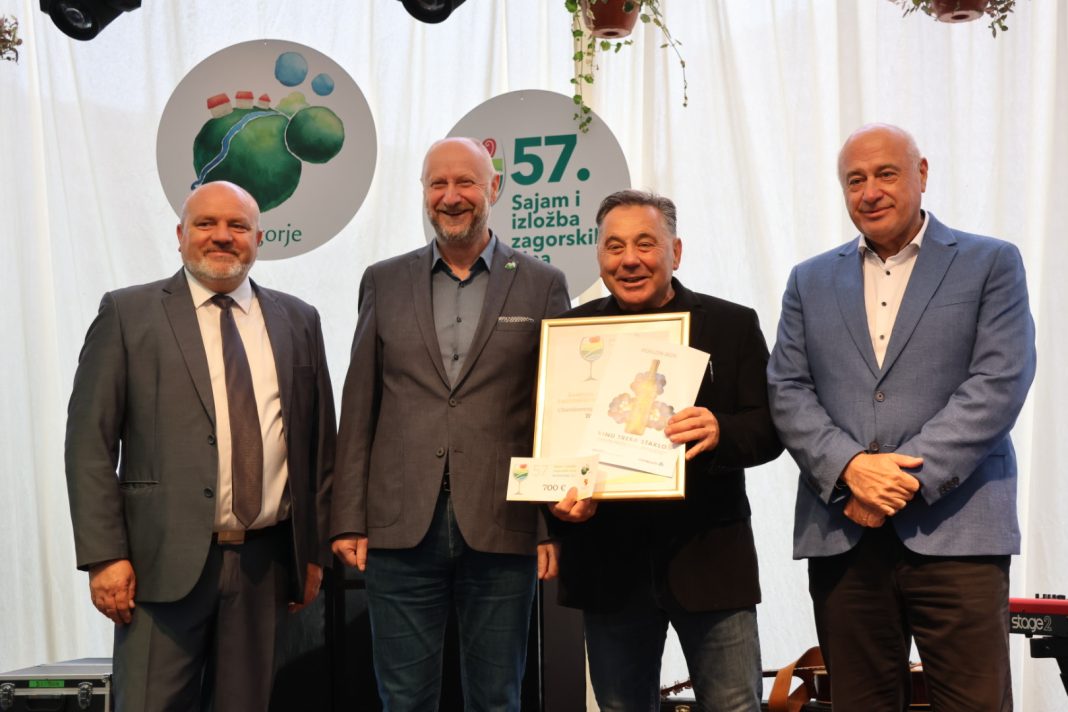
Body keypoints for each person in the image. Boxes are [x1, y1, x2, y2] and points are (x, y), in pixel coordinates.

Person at [767, 124, 1036, 711]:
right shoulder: (808, 280)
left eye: (886, 174)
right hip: (843, 533)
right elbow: (787, 389)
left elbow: (999, 381)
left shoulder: (991, 262)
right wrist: (851, 470)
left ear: (922, 174)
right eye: (855, 180)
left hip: (958, 530)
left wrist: (899, 479)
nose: (870, 192)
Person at [64, 181, 336, 712]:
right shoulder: (127, 313)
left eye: (238, 225)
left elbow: (319, 446)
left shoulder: (299, 319)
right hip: (157, 566)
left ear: (259, 237)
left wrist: (312, 553)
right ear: (180, 234)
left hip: (265, 564)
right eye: (206, 223)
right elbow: (88, 444)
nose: (222, 236)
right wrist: (105, 555)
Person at [330, 137, 570, 711]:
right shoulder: (383, 280)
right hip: (398, 528)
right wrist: (347, 518)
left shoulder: (542, 283)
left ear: (494, 188)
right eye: (438, 183)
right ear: (423, 191)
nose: (451, 196)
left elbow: (556, 411)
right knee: (404, 700)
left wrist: (548, 526)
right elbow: (359, 405)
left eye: (466, 182)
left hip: (504, 523)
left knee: (497, 699)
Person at [549, 190, 783, 712]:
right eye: (614, 247)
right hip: (608, 567)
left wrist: (721, 429)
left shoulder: (730, 325)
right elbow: (546, 441)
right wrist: (556, 505)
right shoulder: (570, 336)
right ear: (599, 257)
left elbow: (771, 428)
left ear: (675, 252)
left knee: (735, 706)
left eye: (645, 244)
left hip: (710, 561)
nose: (629, 259)